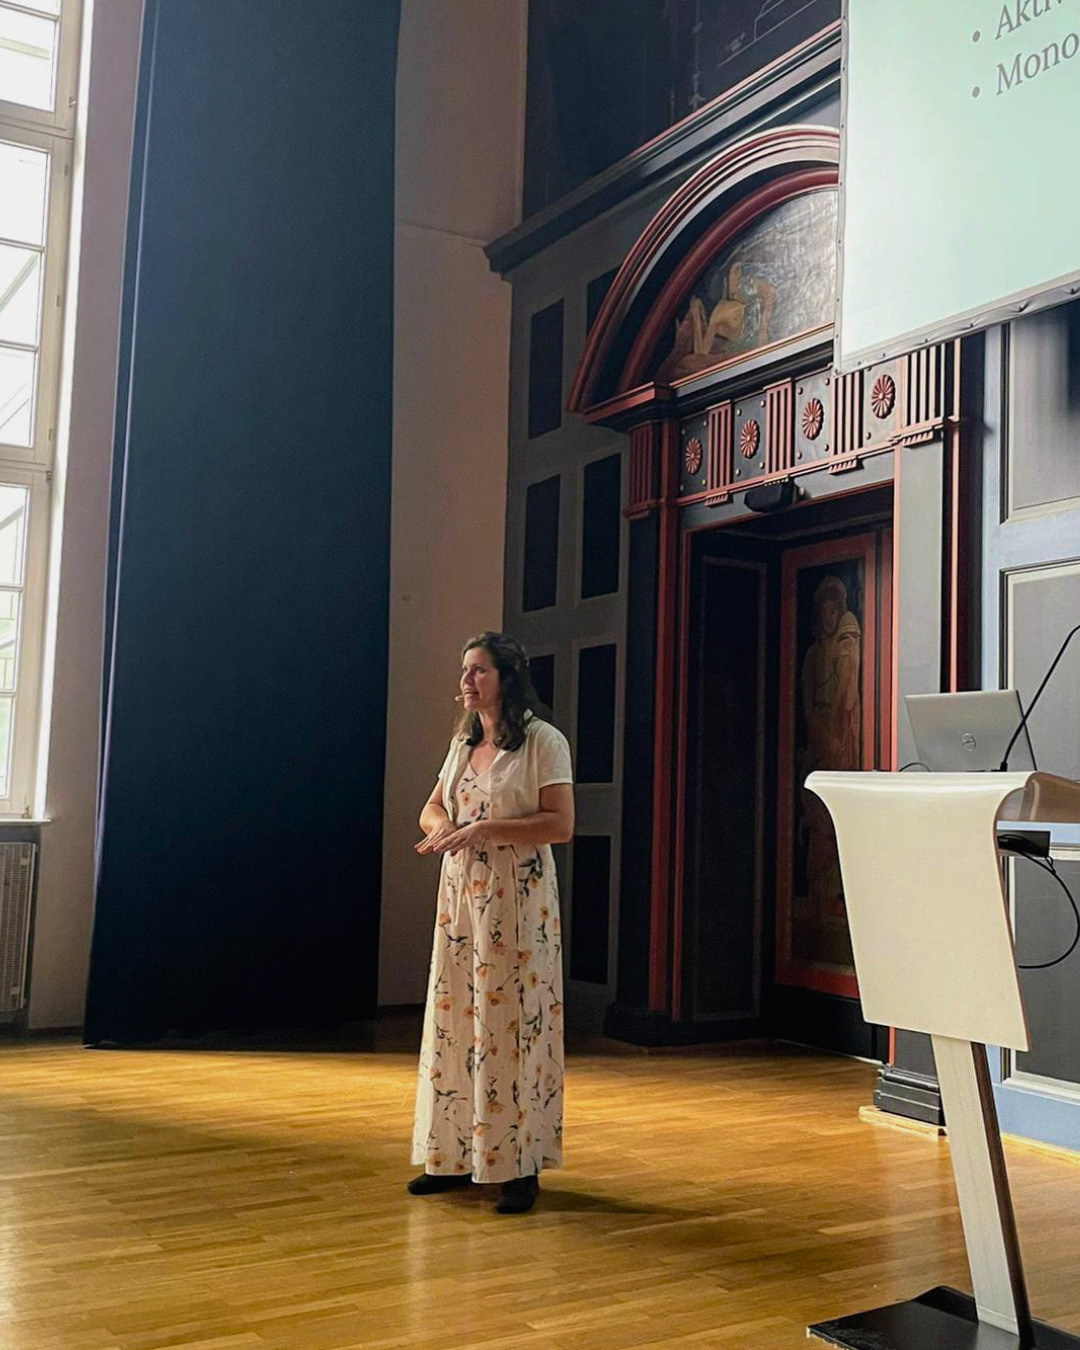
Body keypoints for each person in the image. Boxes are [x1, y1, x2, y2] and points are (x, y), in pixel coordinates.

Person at [409, 632, 574, 1214]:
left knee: (513, 1022)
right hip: (462, 898)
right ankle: (454, 1156)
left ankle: (518, 1165)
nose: (466, 681)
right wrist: (441, 826)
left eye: (478, 670)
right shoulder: (462, 743)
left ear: (507, 677)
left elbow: (560, 824)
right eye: (464, 670)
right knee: (457, 1016)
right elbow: (433, 805)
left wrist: (484, 830)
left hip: (517, 897)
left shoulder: (542, 741)